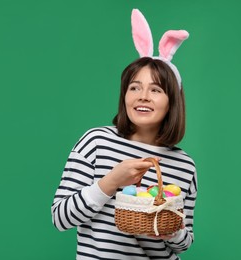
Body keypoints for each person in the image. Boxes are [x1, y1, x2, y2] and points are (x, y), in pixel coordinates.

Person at [51, 9, 198, 260]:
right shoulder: (96, 142)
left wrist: (169, 230)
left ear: (171, 102)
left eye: (155, 90)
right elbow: (61, 218)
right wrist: (111, 182)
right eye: (134, 87)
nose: (142, 96)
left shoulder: (184, 165)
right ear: (125, 95)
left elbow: (184, 243)